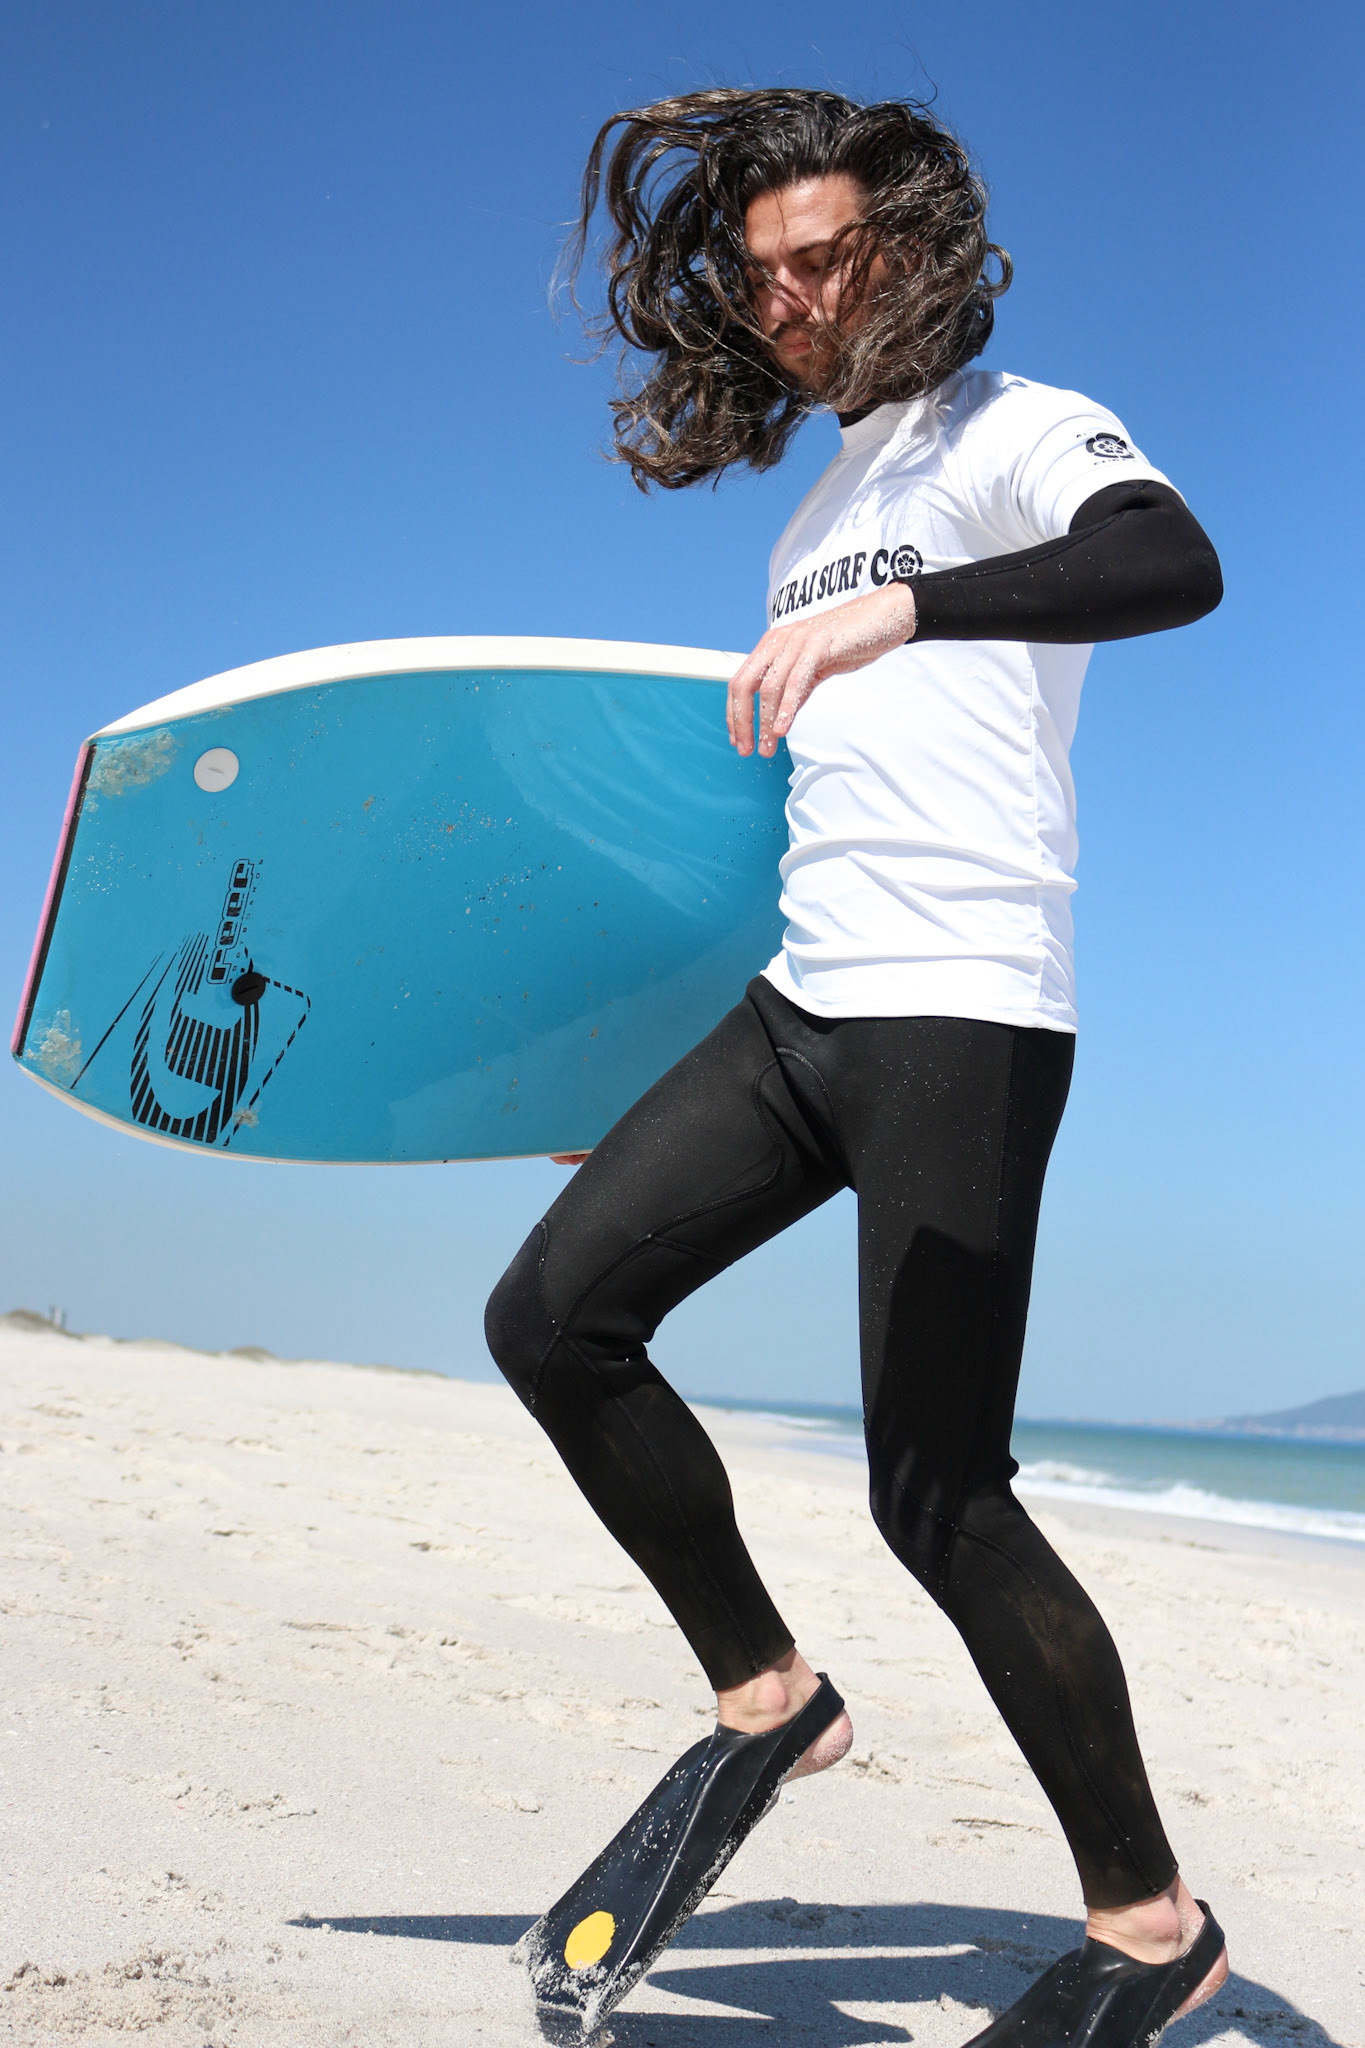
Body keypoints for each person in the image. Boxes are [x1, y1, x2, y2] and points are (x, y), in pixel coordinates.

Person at [486, 88, 1228, 2046]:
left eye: (827, 259)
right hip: (798, 1007)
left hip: (961, 1013)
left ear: (907, 248)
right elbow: (802, 824)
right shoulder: (809, 513)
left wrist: (919, 605)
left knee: (939, 1495)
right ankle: (769, 1696)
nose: (797, 299)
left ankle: (1150, 1923)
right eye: (766, 278)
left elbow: (1171, 563)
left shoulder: (1016, 431)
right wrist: (628, 1071)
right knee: (553, 1317)